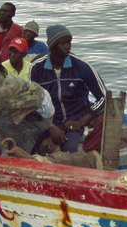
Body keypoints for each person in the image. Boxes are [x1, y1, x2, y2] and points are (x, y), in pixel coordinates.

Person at [30, 25, 107, 153]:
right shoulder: (37, 68)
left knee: (69, 150)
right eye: (63, 43)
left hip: (74, 122)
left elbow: (103, 97)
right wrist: (50, 126)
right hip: (48, 121)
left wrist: (81, 122)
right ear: (52, 45)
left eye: (69, 42)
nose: (68, 46)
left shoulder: (81, 66)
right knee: (31, 148)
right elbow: (32, 102)